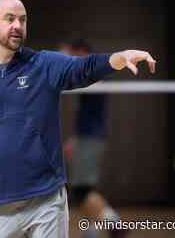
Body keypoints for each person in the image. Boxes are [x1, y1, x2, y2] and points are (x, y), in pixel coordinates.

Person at [0, 0, 156, 238]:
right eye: (10, 19)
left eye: (22, 20)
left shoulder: (43, 65)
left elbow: (84, 68)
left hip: (46, 201)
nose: (17, 25)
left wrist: (120, 57)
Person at [60, 38, 126, 238]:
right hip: (85, 136)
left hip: (91, 138)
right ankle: (92, 231)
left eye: (74, 54)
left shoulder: (94, 71)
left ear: (82, 52)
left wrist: (63, 59)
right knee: (85, 188)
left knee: (83, 189)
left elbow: (74, 78)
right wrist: (74, 140)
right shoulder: (89, 73)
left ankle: (115, 223)